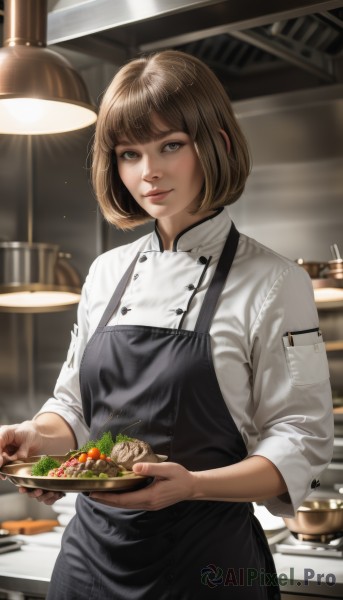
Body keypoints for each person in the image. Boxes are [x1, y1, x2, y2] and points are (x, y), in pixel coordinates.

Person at [0, 50, 333, 600]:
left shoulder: (275, 282)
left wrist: (193, 486)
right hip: (88, 568)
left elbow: (301, 440)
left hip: (207, 570)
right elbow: (77, 407)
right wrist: (35, 437)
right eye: (129, 153)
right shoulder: (106, 273)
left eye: (170, 146)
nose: (147, 172)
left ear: (217, 144)